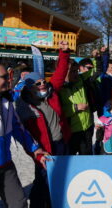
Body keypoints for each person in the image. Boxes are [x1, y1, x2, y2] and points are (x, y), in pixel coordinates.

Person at [18, 41, 72, 207]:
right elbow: (26, 136)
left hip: (61, 143)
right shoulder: (26, 106)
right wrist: (37, 154)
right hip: (44, 148)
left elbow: (60, 73)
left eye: (43, 82)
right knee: (43, 180)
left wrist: (64, 53)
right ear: (29, 88)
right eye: (38, 83)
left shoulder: (51, 92)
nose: (43, 85)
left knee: (59, 178)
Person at [0, 64, 48, 208]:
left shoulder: (6, 102)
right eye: (4, 77)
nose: (9, 80)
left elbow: (18, 128)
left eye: (9, 77)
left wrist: (35, 149)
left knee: (19, 203)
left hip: (5, 165)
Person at [60, 59, 94, 155]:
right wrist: (75, 107)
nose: (76, 74)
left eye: (76, 71)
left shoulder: (80, 79)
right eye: (72, 71)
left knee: (86, 160)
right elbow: (58, 111)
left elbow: (95, 71)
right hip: (72, 133)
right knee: (71, 162)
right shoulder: (59, 88)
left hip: (86, 128)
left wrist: (99, 57)